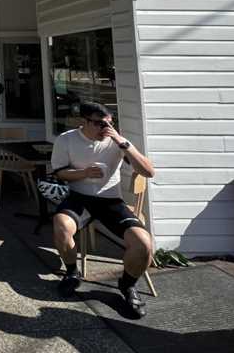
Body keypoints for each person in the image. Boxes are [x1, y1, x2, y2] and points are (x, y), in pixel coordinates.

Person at [50, 101, 156, 318]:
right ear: (84, 122)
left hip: (110, 201)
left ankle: (127, 285)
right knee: (61, 225)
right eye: (99, 124)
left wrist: (123, 143)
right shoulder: (67, 139)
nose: (105, 128)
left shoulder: (116, 141)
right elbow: (59, 173)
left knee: (144, 243)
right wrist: (84, 173)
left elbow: (148, 172)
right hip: (79, 198)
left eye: (109, 123)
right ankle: (71, 273)